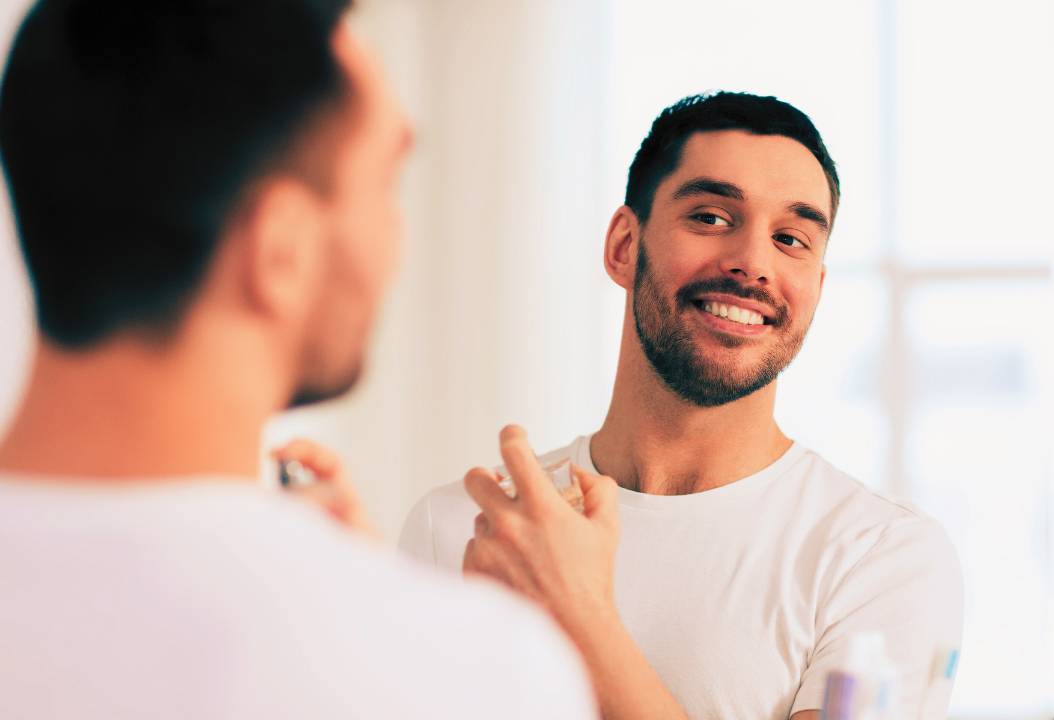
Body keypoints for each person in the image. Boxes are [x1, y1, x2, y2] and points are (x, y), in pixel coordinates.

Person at [0, 2, 593, 718]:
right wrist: (392, 621)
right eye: (383, 184)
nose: (395, 238)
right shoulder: (478, 673)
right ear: (280, 250)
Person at [400, 93, 965, 720]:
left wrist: (579, 614)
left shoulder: (881, 558)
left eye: (791, 238)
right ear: (623, 246)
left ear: (817, 290)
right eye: (712, 218)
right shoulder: (466, 529)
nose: (753, 262)